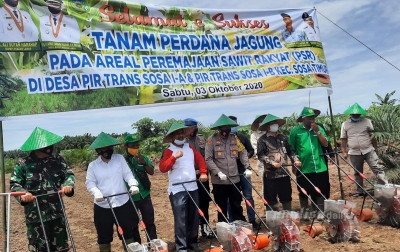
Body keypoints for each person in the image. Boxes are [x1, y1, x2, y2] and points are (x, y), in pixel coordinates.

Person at [10, 127, 76, 252]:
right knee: (40, 249)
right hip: (36, 217)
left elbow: (69, 175)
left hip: (57, 214)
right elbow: (14, 184)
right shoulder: (23, 164)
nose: (51, 147)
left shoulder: (57, 160)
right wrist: (24, 194)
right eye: (48, 145)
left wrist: (69, 185)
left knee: (61, 248)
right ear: (38, 146)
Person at [85, 132, 140, 252]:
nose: (108, 150)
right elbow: (90, 183)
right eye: (104, 148)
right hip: (103, 206)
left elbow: (127, 174)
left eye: (110, 147)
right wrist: (96, 192)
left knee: (128, 232)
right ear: (98, 150)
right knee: (104, 236)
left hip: (122, 202)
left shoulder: (119, 159)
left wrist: (133, 184)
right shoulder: (93, 166)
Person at [159, 122, 208, 252]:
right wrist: (174, 157)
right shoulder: (169, 151)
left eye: (182, 133)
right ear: (172, 137)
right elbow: (163, 168)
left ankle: (192, 242)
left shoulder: (190, 148)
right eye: (177, 133)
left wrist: (203, 172)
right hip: (177, 189)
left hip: (192, 187)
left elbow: (200, 160)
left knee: (194, 216)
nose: (180, 135)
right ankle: (181, 246)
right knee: (181, 219)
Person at [205, 114, 250, 223]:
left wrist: (247, 167)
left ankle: (240, 227)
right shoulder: (212, 140)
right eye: (223, 128)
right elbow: (208, 159)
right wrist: (218, 173)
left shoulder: (234, 139)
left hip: (234, 178)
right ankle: (223, 229)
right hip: (220, 181)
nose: (226, 130)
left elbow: (243, 152)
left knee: (236, 204)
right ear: (219, 129)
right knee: (222, 207)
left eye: (228, 128)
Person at [289, 107, 330, 215]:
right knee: (304, 190)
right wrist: (294, 162)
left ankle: (320, 212)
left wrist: (317, 131)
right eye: (309, 118)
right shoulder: (295, 132)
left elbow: (325, 144)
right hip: (304, 167)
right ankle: (305, 212)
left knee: (321, 190)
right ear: (303, 119)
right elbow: (291, 148)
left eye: (313, 118)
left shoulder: (319, 129)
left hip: (319, 165)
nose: (312, 120)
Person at [340, 103, 388, 197]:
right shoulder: (345, 124)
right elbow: (343, 139)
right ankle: (360, 191)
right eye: (354, 115)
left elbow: (372, 135)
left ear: (360, 114)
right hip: (354, 152)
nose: (356, 116)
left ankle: (385, 187)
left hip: (368, 150)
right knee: (357, 172)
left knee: (377, 168)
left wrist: (375, 147)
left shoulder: (367, 122)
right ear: (350, 115)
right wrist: (344, 151)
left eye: (358, 115)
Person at [257, 114, 301, 211]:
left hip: (284, 173)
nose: (275, 125)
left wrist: (296, 159)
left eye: (275, 123)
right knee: (270, 198)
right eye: (272, 124)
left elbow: (290, 151)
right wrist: (271, 162)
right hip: (270, 174)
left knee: (286, 197)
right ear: (268, 127)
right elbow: (261, 155)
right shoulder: (262, 140)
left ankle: (288, 216)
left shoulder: (283, 138)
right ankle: (271, 220)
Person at [183, 118, 215, 239]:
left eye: (194, 128)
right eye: (189, 128)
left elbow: (207, 156)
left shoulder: (201, 138)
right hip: (189, 177)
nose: (192, 131)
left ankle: (204, 227)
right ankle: (192, 230)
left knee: (204, 202)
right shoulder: (182, 141)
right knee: (191, 203)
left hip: (203, 176)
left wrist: (206, 172)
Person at [123, 133, 157, 243]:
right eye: (132, 146)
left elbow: (151, 172)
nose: (135, 148)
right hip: (130, 198)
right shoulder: (121, 160)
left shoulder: (143, 157)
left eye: (137, 145)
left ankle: (152, 244)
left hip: (145, 195)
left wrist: (143, 163)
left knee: (149, 222)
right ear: (126, 146)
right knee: (133, 224)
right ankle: (138, 246)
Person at [227, 115, 257, 228]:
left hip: (243, 170)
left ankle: (252, 219)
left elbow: (250, 150)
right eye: (231, 125)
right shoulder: (224, 140)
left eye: (235, 125)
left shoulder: (242, 138)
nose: (234, 127)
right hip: (231, 171)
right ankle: (232, 220)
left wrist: (246, 157)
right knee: (232, 198)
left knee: (248, 195)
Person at [250, 114, 267, 182]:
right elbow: (255, 148)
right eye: (260, 121)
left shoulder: (271, 132)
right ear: (257, 123)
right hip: (262, 161)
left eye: (263, 120)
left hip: (275, 160)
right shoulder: (254, 135)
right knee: (266, 183)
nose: (262, 122)